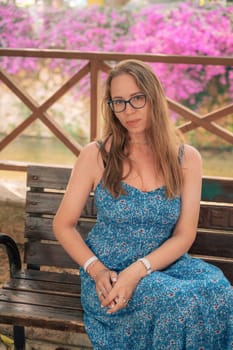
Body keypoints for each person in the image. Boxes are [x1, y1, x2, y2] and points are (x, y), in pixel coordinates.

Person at [53, 59, 233, 350]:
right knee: (176, 301)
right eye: (119, 102)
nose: (128, 111)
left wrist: (138, 270)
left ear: (154, 98)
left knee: (219, 290)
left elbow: (184, 235)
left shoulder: (187, 158)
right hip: (109, 275)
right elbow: (63, 224)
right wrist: (96, 270)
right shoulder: (96, 155)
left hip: (165, 266)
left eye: (137, 99)